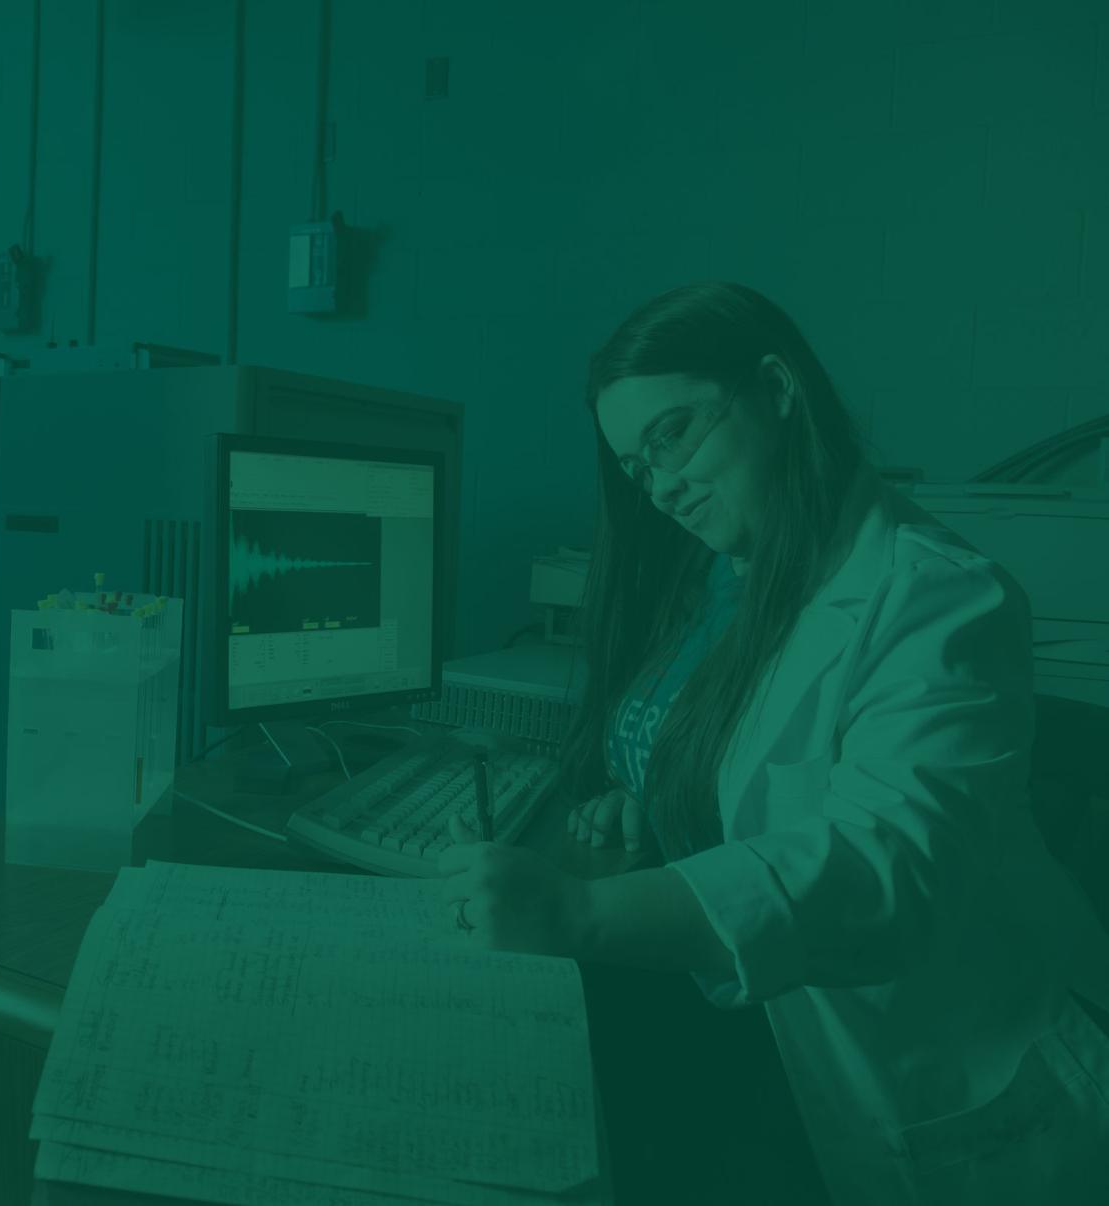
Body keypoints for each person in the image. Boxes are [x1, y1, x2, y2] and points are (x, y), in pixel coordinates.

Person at [437, 281, 1109, 1205]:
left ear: (777, 389)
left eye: (671, 433)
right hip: (749, 1039)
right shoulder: (725, 574)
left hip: (928, 1067)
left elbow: (892, 863)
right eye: (636, 465)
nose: (659, 483)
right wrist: (664, 800)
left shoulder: (940, 597)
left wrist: (582, 917)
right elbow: (749, 759)